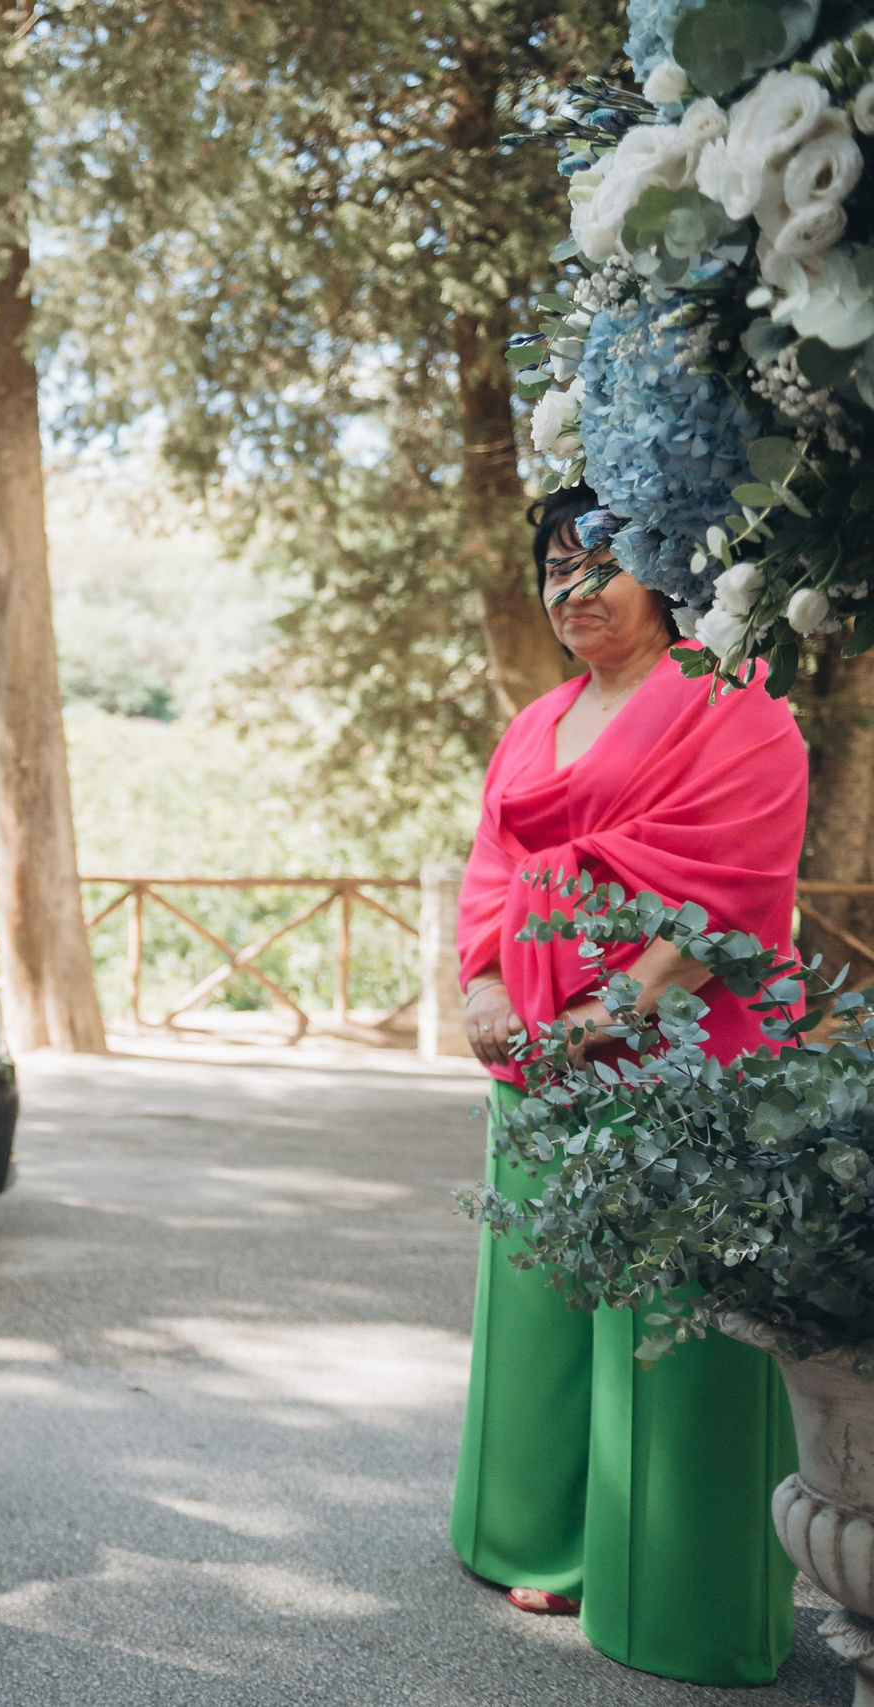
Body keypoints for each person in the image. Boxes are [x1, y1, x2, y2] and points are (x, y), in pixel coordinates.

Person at [451, 486, 807, 1685]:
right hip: (537, 1055)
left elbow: (742, 874)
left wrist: (623, 1007)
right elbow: (494, 867)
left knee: (670, 1318)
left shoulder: (731, 697)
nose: (574, 587)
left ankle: (671, 1572)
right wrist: (489, 992)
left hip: (678, 1052)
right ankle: (535, 1532)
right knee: (542, 1292)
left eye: (603, 560)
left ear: (665, 572)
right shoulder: (534, 719)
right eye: (555, 565)